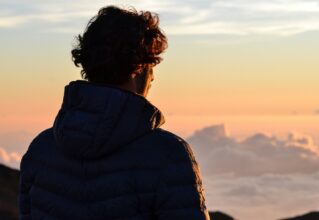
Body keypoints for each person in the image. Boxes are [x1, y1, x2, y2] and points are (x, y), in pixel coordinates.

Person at [18, 5, 210, 220]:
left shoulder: (41, 150)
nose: (153, 78)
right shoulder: (169, 154)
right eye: (152, 66)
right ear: (139, 67)